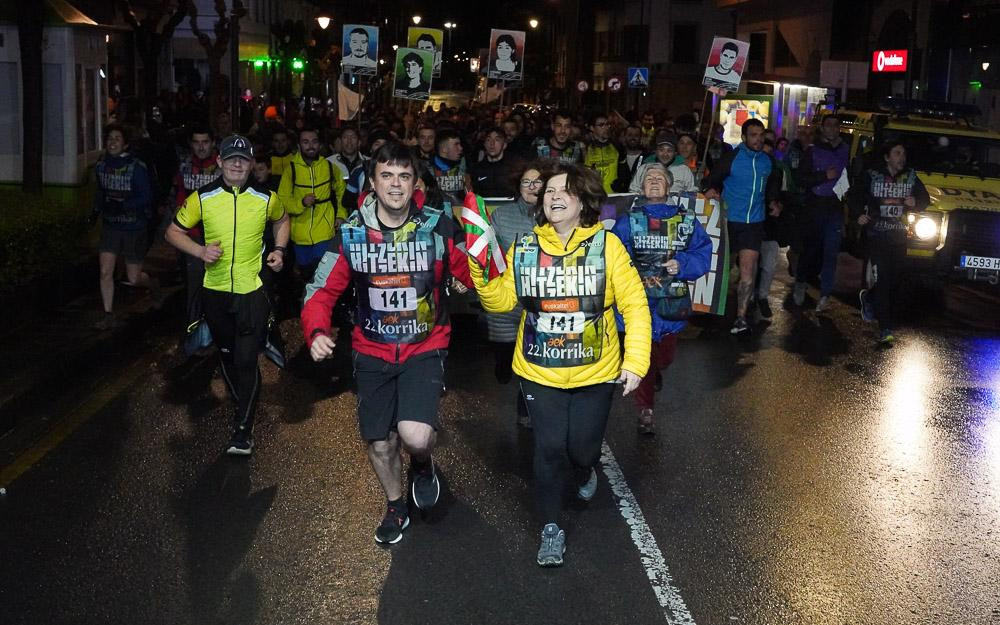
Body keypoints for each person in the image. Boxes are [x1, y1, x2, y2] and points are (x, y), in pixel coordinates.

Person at [467, 162, 651, 567]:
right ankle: (551, 527)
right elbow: (501, 301)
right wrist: (479, 271)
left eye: (563, 190)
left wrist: (635, 360)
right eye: (548, 190)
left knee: (582, 449)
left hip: (595, 371)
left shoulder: (608, 247)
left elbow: (635, 306)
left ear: (583, 200)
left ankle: (585, 471)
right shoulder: (527, 247)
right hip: (539, 370)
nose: (552, 196)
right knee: (549, 448)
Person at [301, 142, 474, 545]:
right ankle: (395, 504)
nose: (395, 184)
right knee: (380, 441)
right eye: (386, 176)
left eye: (403, 176)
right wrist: (316, 331)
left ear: (414, 183)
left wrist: (480, 266)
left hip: (424, 347)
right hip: (371, 350)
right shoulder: (351, 234)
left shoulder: (438, 226)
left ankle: (423, 462)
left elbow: (474, 272)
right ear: (373, 183)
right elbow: (319, 291)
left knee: (413, 436)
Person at [165, 135, 290, 455]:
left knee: (247, 359)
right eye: (231, 158)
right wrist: (199, 250)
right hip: (215, 293)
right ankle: (243, 409)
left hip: (251, 291)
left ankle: (243, 430)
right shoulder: (202, 198)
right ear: (219, 162)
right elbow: (173, 232)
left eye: (243, 159)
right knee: (229, 358)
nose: (237, 164)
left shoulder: (266, 197)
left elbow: (283, 219)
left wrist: (278, 249)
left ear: (251, 164)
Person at [611, 164, 711, 434]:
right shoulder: (628, 221)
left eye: (660, 178)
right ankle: (646, 410)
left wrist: (683, 263)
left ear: (669, 186)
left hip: (671, 303)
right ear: (641, 187)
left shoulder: (686, 221)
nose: (654, 182)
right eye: (648, 179)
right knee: (643, 357)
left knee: (663, 358)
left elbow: (703, 252)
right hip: (638, 304)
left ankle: (655, 371)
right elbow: (613, 256)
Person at [704, 119, 782, 335]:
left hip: (753, 224)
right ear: (744, 137)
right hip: (729, 221)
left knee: (748, 271)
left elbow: (773, 184)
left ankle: (740, 317)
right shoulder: (732, 158)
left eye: (761, 135)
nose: (758, 139)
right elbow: (713, 180)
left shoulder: (768, 162)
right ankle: (713, 311)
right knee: (724, 270)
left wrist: (774, 202)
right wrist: (711, 190)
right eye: (753, 135)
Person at [851, 141, 929, 344]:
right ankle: (885, 327)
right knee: (884, 279)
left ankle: (869, 298)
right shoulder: (872, 175)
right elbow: (854, 195)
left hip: (899, 237)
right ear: (887, 157)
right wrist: (859, 214)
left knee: (895, 279)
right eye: (897, 153)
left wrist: (916, 203)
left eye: (903, 154)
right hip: (877, 236)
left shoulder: (910, 176)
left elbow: (924, 199)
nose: (901, 158)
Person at [484, 163, 544, 427]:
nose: (532, 187)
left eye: (538, 182)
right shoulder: (502, 215)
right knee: (506, 357)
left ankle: (526, 407)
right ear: (518, 187)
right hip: (507, 300)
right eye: (526, 182)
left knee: (530, 360)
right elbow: (488, 253)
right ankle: (501, 362)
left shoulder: (553, 214)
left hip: (540, 303)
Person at [92, 123, 160, 330]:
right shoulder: (101, 165)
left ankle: (151, 282)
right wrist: (97, 210)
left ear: (126, 144)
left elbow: (147, 196)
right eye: (110, 138)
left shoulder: (136, 168)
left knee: (133, 277)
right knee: (105, 271)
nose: (112, 142)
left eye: (117, 139)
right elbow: (100, 192)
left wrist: (123, 206)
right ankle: (108, 313)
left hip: (134, 227)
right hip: (111, 226)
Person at [793, 114, 849, 312]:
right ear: (823, 129)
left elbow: (847, 178)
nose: (832, 129)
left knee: (831, 253)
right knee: (810, 249)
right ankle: (800, 282)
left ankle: (825, 295)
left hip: (834, 207)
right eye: (829, 125)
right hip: (815, 207)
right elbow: (800, 179)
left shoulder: (845, 150)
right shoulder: (812, 151)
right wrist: (824, 176)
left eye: (836, 125)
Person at [173, 126, 222, 351]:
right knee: (194, 284)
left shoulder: (222, 168)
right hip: (191, 238)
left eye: (205, 141)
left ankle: (217, 328)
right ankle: (194, 330)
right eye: (196, 142)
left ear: (212, 143)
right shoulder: (184, 167)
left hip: (218, 237)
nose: (201, 146)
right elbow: (178, 198)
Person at [277, 127, 347, 281]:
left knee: (322, 273)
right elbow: (282, 201)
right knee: (306, 274)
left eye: (314, 142)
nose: (310, 146)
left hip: (324, 229)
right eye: (305, 142)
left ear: (320, 144)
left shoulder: (329, 167)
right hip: (299, 232)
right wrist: (301, 203)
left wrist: (341, 214)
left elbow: (342, 190)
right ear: (299, 145)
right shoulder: (291, 169)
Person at [630, 131, 696, 195]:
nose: (665, 154)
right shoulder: (643, 168)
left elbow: (692, 192)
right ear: (655, 151)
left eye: (669, 150)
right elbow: (633, 190)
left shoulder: (684, 170)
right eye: (661, 150)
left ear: (675, 153)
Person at [470, 126, 520, 198]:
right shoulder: (477, 169)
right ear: (484, 144)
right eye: (488, 140)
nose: (492, 143)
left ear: (504, 145)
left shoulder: (514, 168)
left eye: (497, 140)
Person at [432, 127, 472, 207]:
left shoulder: (465, 166)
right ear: (444, 149)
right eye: (456, 144)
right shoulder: (428, 169)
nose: (461, 148)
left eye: (460, 144)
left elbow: (471, 197)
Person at [584, 113, 620, 194]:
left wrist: (620, 186)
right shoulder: (585, 147)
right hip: (593, 195)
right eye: (601, 125)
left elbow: (623, 169)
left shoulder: (616, 145)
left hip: (611, 196)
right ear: (592, 128)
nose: (606, 127)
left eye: (607, 124)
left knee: (609, 208)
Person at [613, 124, 645, 193]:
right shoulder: (617, 156)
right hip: (621, 197)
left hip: (641, 197)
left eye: (636, 135)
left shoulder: (647, 158)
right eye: (630, 135)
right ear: (624, 137)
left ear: (641, 138)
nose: (633, 138)